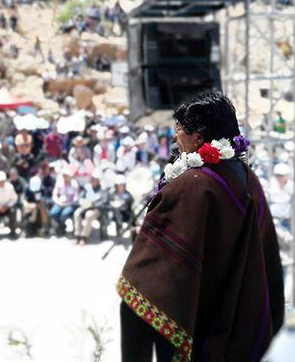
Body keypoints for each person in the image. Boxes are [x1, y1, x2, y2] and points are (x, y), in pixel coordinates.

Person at [119, 92, 284, 361]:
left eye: (180, 130)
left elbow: (142, 288)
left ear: (198, 138)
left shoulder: (189, 188)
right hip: (242, 330)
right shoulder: (250, 181)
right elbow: (268, 267)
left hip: (198, 330)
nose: (175, 137)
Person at [73, 170, 107, 245]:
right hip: (85, 207)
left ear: (98, 180)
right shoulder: (87, 188)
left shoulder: (102, 190)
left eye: (94, 179)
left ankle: (84, 237)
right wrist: (82, 201)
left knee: (89, 215)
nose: (92, 181)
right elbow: (81, 196)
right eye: (92, 179)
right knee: (77, 213)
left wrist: (93, 204)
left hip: (96, 209)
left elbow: (104, 201)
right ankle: (78, 235)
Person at [50, 167, 80, 235]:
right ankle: (61, 226)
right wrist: (58, 202)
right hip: (60, 203)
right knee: (53, 213)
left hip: (70, 204)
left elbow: (76, 196)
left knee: (64, 214)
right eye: (64, 175)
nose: (65, 177)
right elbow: (54, 195)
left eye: (67, 175)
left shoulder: (74, 184)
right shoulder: (59, 183)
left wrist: (70, 203)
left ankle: (62, 227)